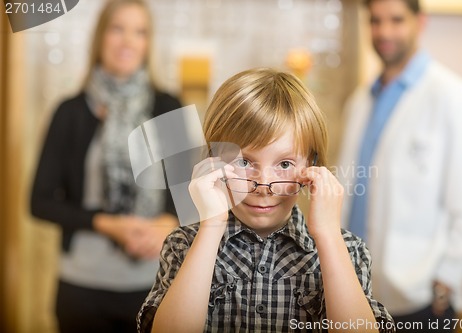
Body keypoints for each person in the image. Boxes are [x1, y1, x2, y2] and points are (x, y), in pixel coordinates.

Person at [137, 68, 396, 333]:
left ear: (313, 165)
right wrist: (211, 225)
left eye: (284, 163)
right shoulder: (183, 245)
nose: (263, 186)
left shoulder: (347, 250)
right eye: (245, 162)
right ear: (214, 161)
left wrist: (328, 234)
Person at [337, 0, 462, 331]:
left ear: (419, 22)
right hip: (355, 292)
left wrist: (447, 279)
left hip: (421, 300)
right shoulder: (360, 101)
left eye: (396, 20)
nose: (384, 32)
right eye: (376, 21)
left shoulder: (456, 100)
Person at [30, 1, 181, 332]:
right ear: (100, 38)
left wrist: (167, 222)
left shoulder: (171, 107)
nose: (128, 41)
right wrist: (107, 225)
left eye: (139, 32)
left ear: (148, 43)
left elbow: (196, 195)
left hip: (155, 284)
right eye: (118, 29)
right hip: (82, 287)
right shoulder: (68, 111)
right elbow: (39, 202)